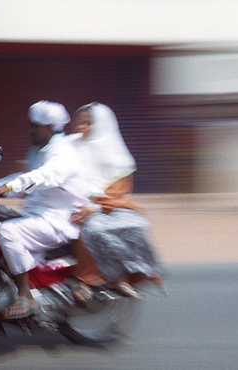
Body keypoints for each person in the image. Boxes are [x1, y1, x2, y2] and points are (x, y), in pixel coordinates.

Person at [0, 100, 91, 319]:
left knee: (8, 231)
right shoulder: (38, 151)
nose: (30, 130)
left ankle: (26, 295)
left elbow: (46, 176)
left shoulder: (63, 151)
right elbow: (20, 179)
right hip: (38, 216)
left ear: (50, 127)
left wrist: (11, 186)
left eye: (36, 126)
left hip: (58, 220)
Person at [66, 102, 164, 301]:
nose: (80, 127)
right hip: (72, 201)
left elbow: (117, 194)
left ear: (102, 125)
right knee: (92, 229)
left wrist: (94, 207)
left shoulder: (116, 156)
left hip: (107, 206)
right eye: (79, 122)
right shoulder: (70, 145)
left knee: (136, 224)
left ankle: (128, 274)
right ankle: (89, 280)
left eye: (87, 123)